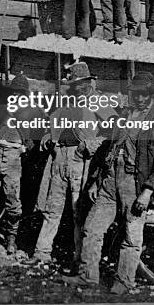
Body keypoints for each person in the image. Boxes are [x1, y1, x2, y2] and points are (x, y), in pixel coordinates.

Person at [64, 72, 154, 295]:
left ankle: (124, 282)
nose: (139, 98)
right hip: (109, 181)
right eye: (136, 93)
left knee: (131, 236)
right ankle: (88, 277)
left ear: (150, 94)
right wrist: (96, 181)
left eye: (144, 94)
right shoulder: (125, 114)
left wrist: (147, 191)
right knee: (92, 228)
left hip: (134, 184)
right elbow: (110, 148)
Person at [31, 63, 104, 267]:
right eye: (72, 84)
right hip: (59, 158)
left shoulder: (99, 103)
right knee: (52, 208)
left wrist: (89, 146)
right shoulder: (66, 102)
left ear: (88, 84)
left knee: (79, 210)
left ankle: (80, 258)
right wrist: (48, 136)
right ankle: (42, 252)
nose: (75, 88)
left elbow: (112, 134)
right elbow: (53, 124)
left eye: (79, 84)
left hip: (81, 160)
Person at [0, 74, 38, 255]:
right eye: (14, 92)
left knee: (12, 199)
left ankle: (11, 237)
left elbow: (37, 137)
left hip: (14, 156)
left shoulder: (32, 111)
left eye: (21, 92)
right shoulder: (0, 107)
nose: (17, 95)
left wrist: (23, 149)